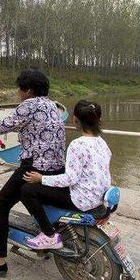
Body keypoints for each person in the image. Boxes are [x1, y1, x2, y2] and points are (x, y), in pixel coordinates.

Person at [0, 69, 65, 276]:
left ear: (28, 90)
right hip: (57, 166)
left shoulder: (28, 105)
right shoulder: (51, 105)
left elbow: (2, 126)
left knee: (0, 204)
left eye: (20, 88)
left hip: (35, 166)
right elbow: (31, 127)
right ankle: (44, 239)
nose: (18, 92)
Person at [21, 100, 112, 250]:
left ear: (75, 119)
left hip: (81, 200)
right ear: (99, 120)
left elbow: (70, 178)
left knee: (27, 190)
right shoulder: (102, 142)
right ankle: (55, 225)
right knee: (46, 187)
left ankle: (49, 235)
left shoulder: (77, 144)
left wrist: (41, 178)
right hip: (98, 197)